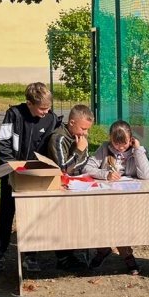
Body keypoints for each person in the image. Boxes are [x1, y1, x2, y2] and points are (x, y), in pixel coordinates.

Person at [0, 82, 60, 272]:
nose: (45, 112)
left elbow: (52, 147)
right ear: (29, 103)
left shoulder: (51, 119)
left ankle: (31, 255)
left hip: (34, 175)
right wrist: (12, 165)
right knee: (7, 212)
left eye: (48, 108)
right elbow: (3, 142)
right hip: (11, 173)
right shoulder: (13, 115)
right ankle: (0, 251)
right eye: (42, 108)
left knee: (33, 213)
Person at [85, 120, 149, 276]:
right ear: (110, 139)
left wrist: (138, 150)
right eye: (116, 144)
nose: (121, 148)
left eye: (124, 144)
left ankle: (126, 254)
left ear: (131, 139)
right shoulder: (105, 149)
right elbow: (87, 168)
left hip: (128, 198)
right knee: (100, 221)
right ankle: (102, 249)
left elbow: (146, 175)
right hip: (106, 196)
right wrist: (106, 174)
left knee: (123, 224)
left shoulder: (138, 150)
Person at [47, 104, 94, 272]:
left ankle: (71, 254)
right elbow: (63, 168)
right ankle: (63, 258)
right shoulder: (58, 138)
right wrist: (78, 151)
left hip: (76, 184)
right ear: (72, 122)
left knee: (76, 219)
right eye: (83, 128)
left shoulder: (80, 137)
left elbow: (85, 163)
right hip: (58, 187)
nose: (85, 133)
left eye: (87, 130)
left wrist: (76, 161)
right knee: (63, 221)